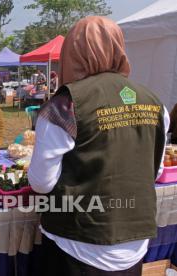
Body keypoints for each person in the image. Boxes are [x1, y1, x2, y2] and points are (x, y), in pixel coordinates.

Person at [28, 16, 169, 276]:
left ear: (72, 54)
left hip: (78, 241)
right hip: (135, 239)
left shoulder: (65, 105)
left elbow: (41, 183)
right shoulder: (155, 102)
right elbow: (156, 171)